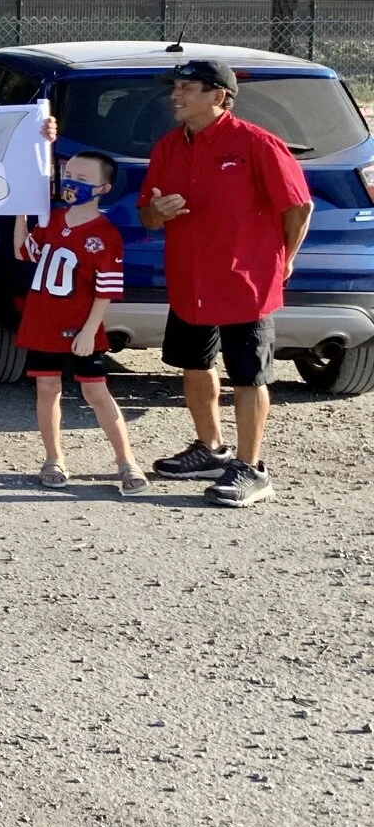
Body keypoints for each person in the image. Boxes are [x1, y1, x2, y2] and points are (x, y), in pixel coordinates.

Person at [137, 58, 312, 507]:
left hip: (244, 283)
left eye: (187, 87)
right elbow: (146, 214)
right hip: (189, 280)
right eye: (174, 86)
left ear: (219, 96)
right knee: (195, 365)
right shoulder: (168, 147)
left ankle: (252, 470)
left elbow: (298, 207)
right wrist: (159, 213)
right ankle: (211, 450)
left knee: (249, 377)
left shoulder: (257, 143)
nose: (175, 94)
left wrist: (284, 260)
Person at [12, 151, 147, 494]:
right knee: (46, 388)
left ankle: (126, 461)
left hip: (80, 327)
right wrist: (21, 210)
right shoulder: (51, 220)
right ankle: (53, 457)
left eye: (83, 180)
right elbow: (23, 251)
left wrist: (89, 330)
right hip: (43, 320)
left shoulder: (105, 234)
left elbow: (105, 291)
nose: (72, 184)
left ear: (105, 187)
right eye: (69, 175)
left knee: (96, 390)